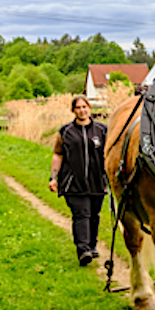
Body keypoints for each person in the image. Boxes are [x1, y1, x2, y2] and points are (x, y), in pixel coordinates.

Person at [49, 95, 108, 266]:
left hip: (97, 181)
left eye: (84, 107)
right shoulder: (66, 132)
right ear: (73, 111)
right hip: (73, 182)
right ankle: (83, 250)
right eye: (78, 108)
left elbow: (110, 154)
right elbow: (58, 155)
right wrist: (53, 177)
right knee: (82, 214)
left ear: (90, 108)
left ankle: (92, 245)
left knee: (94, 215)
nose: (82, 110)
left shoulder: (102, 130)